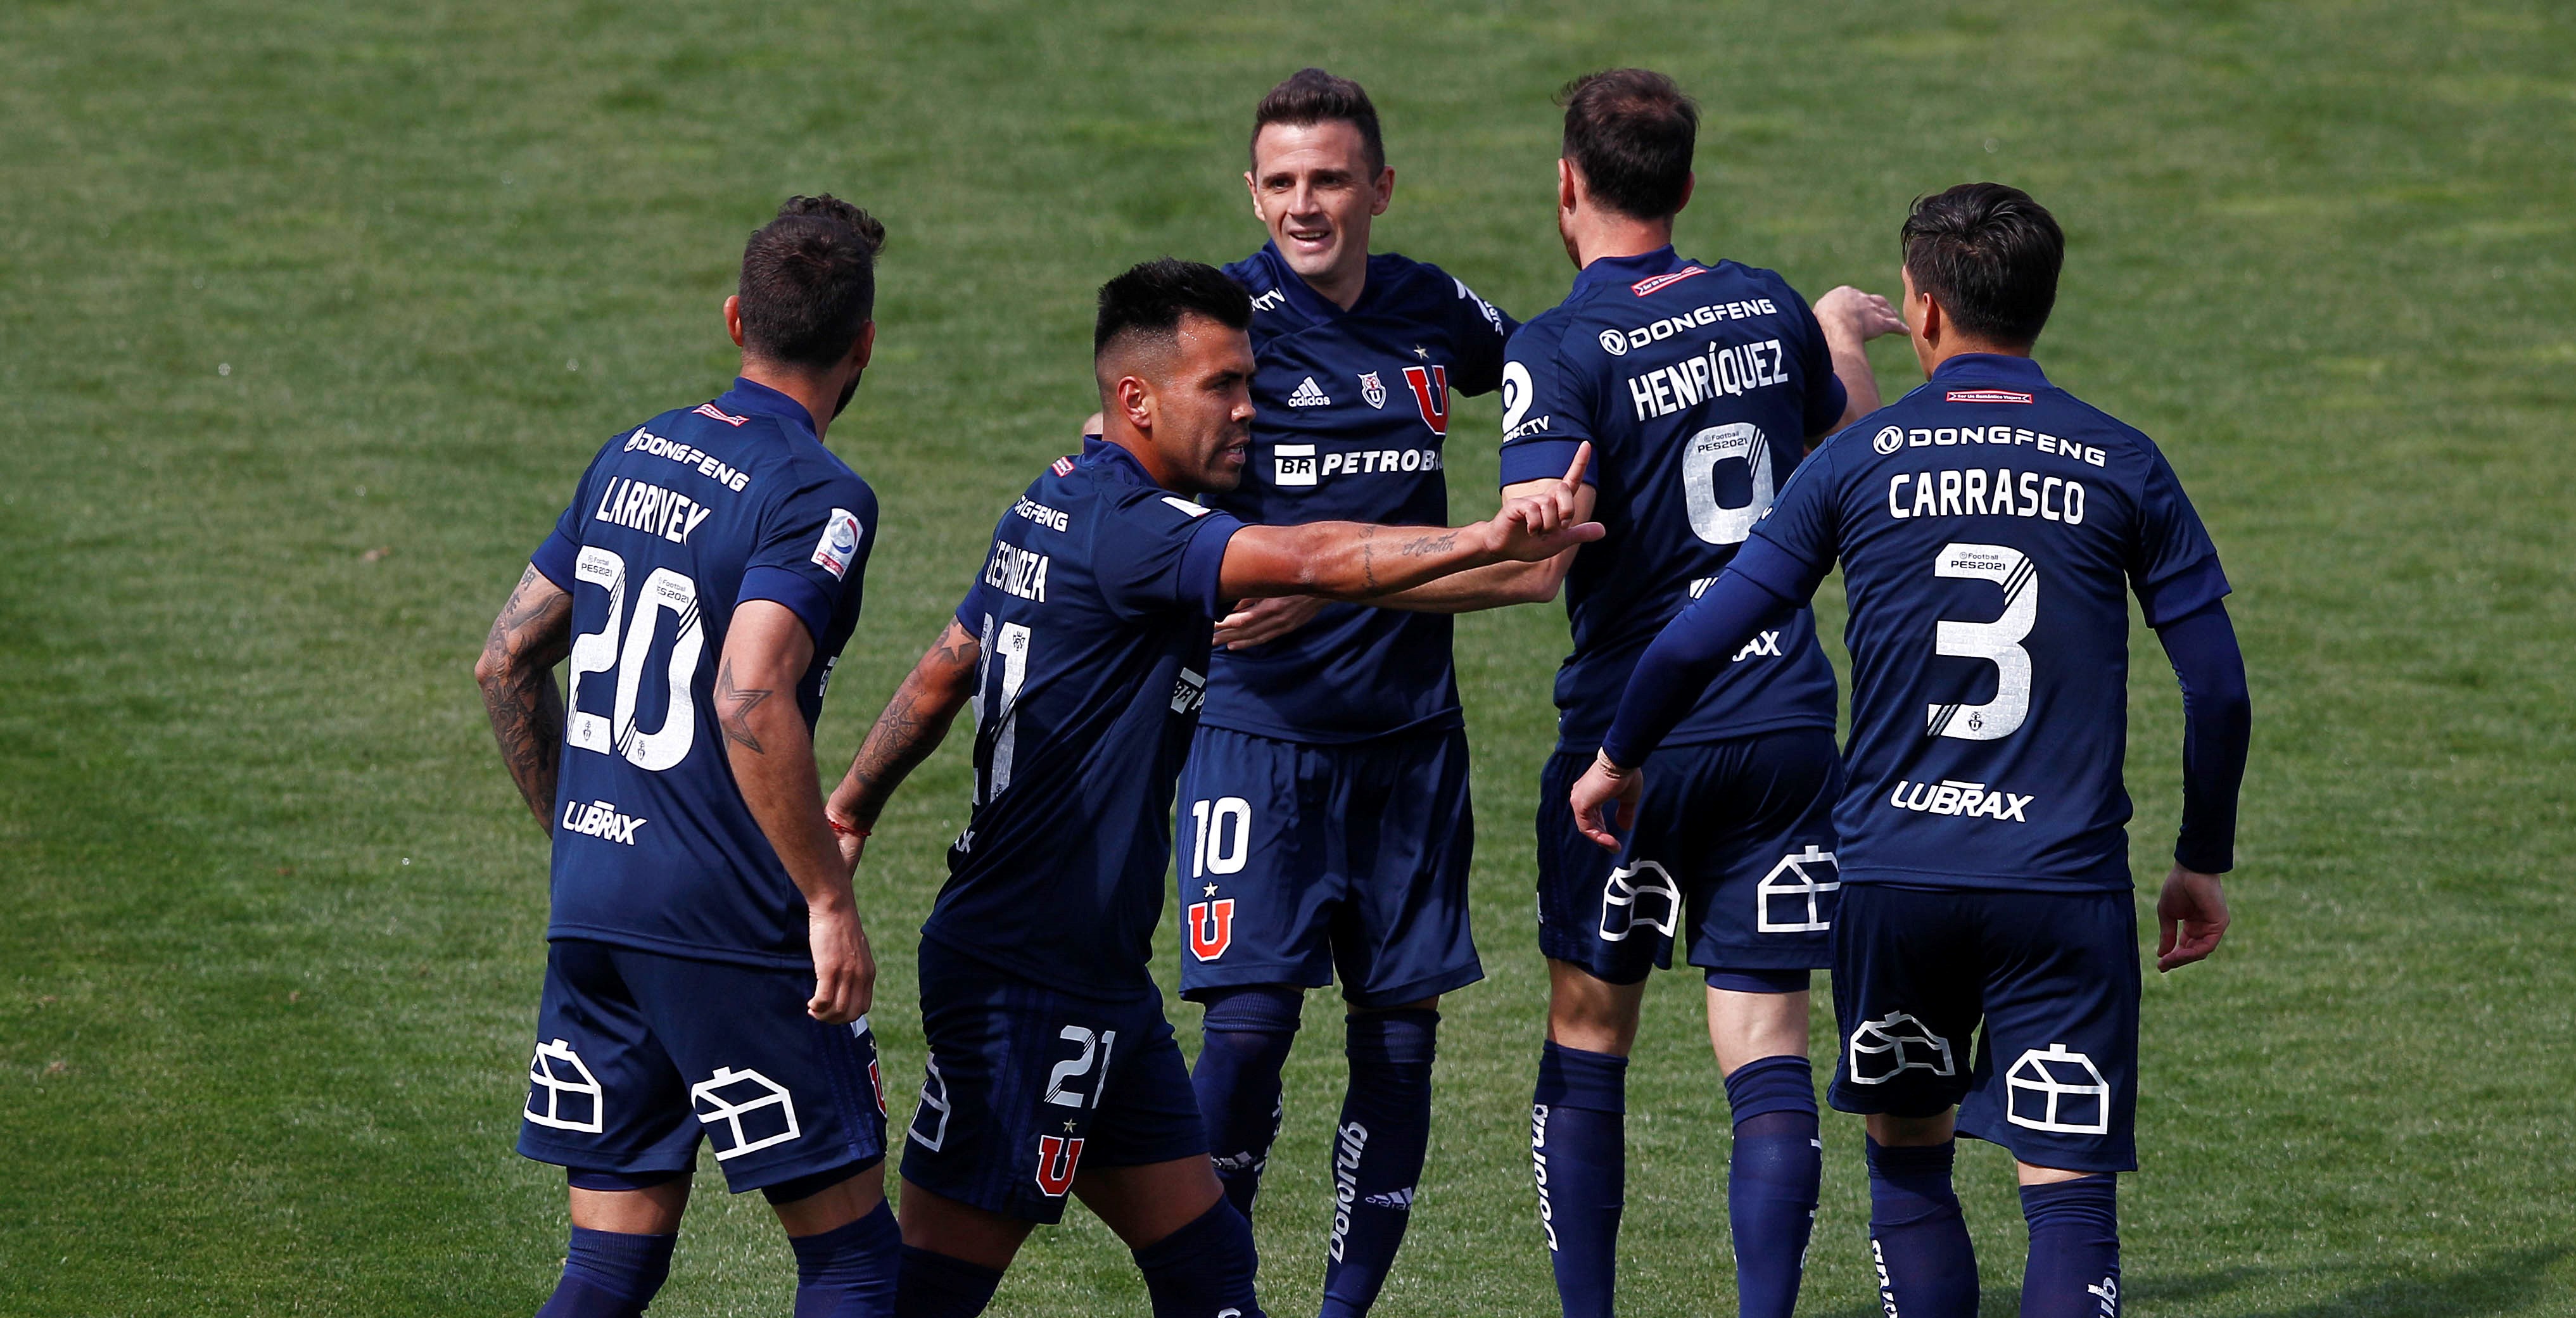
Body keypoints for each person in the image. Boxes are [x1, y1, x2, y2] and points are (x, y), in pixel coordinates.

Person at [820, 258, 1599, 1318]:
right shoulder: (1138, 530)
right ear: (1137, 399)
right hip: (1024, 979)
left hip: (1099, 981)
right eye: (1224, 387)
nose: (1251, 408)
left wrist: (852, 807)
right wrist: (1476, 538)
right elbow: (1316, 559)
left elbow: (947, 664)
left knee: (1210, 1272)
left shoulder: (1053, 501)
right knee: (932, 1294)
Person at [1571, 182, 2251, 1318]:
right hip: (2062, 887)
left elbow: (1696, 635)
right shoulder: (2123, 460)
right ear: (2043, 303)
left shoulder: (1857, 461)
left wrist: (1621, 753)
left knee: (1908, 1165)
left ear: (1922, 310)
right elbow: (2218, 686)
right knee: (2071, 1206)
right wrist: (2201, 855)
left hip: (1895, 880)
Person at [1361, 69, 1902, 1318]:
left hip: (1634, 746)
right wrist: (1833, 331)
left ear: (1566, 186)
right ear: (1689, 187)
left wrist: (1347, 579)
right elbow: (1856, 453)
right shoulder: (1767, 307)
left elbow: (1540, 555)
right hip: (1781, 730)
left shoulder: (1558, 346)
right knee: (1768, 1047)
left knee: (1592, 1035)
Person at [473, 195, 900, 1318]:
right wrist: (826, 897)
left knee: (612, 1264)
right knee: (854, 1260)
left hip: (596, 906)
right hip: (723, 923)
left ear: (733, 320)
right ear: (863, 344)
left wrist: (581, 835)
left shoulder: (630, 454)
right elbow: (752, 690)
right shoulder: (817, 493)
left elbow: (506, 661)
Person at [1150, 68, 1520, 1317]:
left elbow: (1549, 386)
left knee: (1399, 1046)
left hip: (1414, 744)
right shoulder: (1217, 329)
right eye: (1283, 183)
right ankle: (1216, 1299)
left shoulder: (1434, 312)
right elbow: (1138, 502)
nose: (1306, 205)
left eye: (1330, 179)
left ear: (1379, 187)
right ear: (1251, 193)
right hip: (1259, 736)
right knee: (1247, 1033)